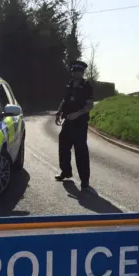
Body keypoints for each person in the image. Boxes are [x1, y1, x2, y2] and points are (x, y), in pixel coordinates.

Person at [55, 60, 95, 192]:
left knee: (81, 152)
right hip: (68, 122)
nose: (75, 74)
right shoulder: (69, 85)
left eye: (78, 72)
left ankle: (84, 180)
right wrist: (59, 112)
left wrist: (78, 114)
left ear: (82, 73)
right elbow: (64, 100)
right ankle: (65, 171)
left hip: (80, 124)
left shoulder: (87, 87)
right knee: (63, 147)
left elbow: (90, 105)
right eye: (73, 71)